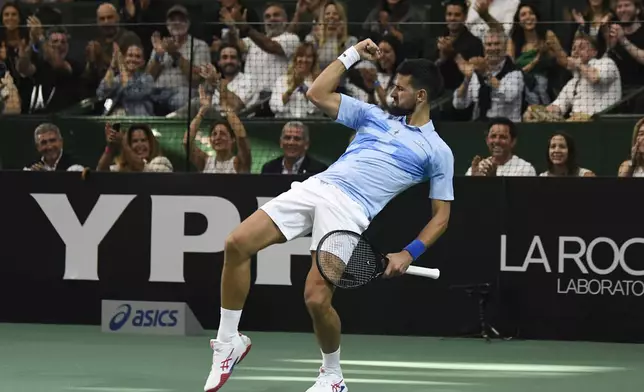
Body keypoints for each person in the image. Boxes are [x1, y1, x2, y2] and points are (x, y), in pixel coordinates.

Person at [203, 39, 455, 392]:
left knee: (316, 299)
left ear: (422, 96)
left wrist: (409, 251)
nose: (393, 92)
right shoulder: (373, 114)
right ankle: (229, 340)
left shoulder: (438, 152)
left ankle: (332, 376)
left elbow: (441, 217)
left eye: (401, 88)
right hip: (317, 186)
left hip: (349, 211)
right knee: (236, 243)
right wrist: (352, 54)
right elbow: (317, 93)